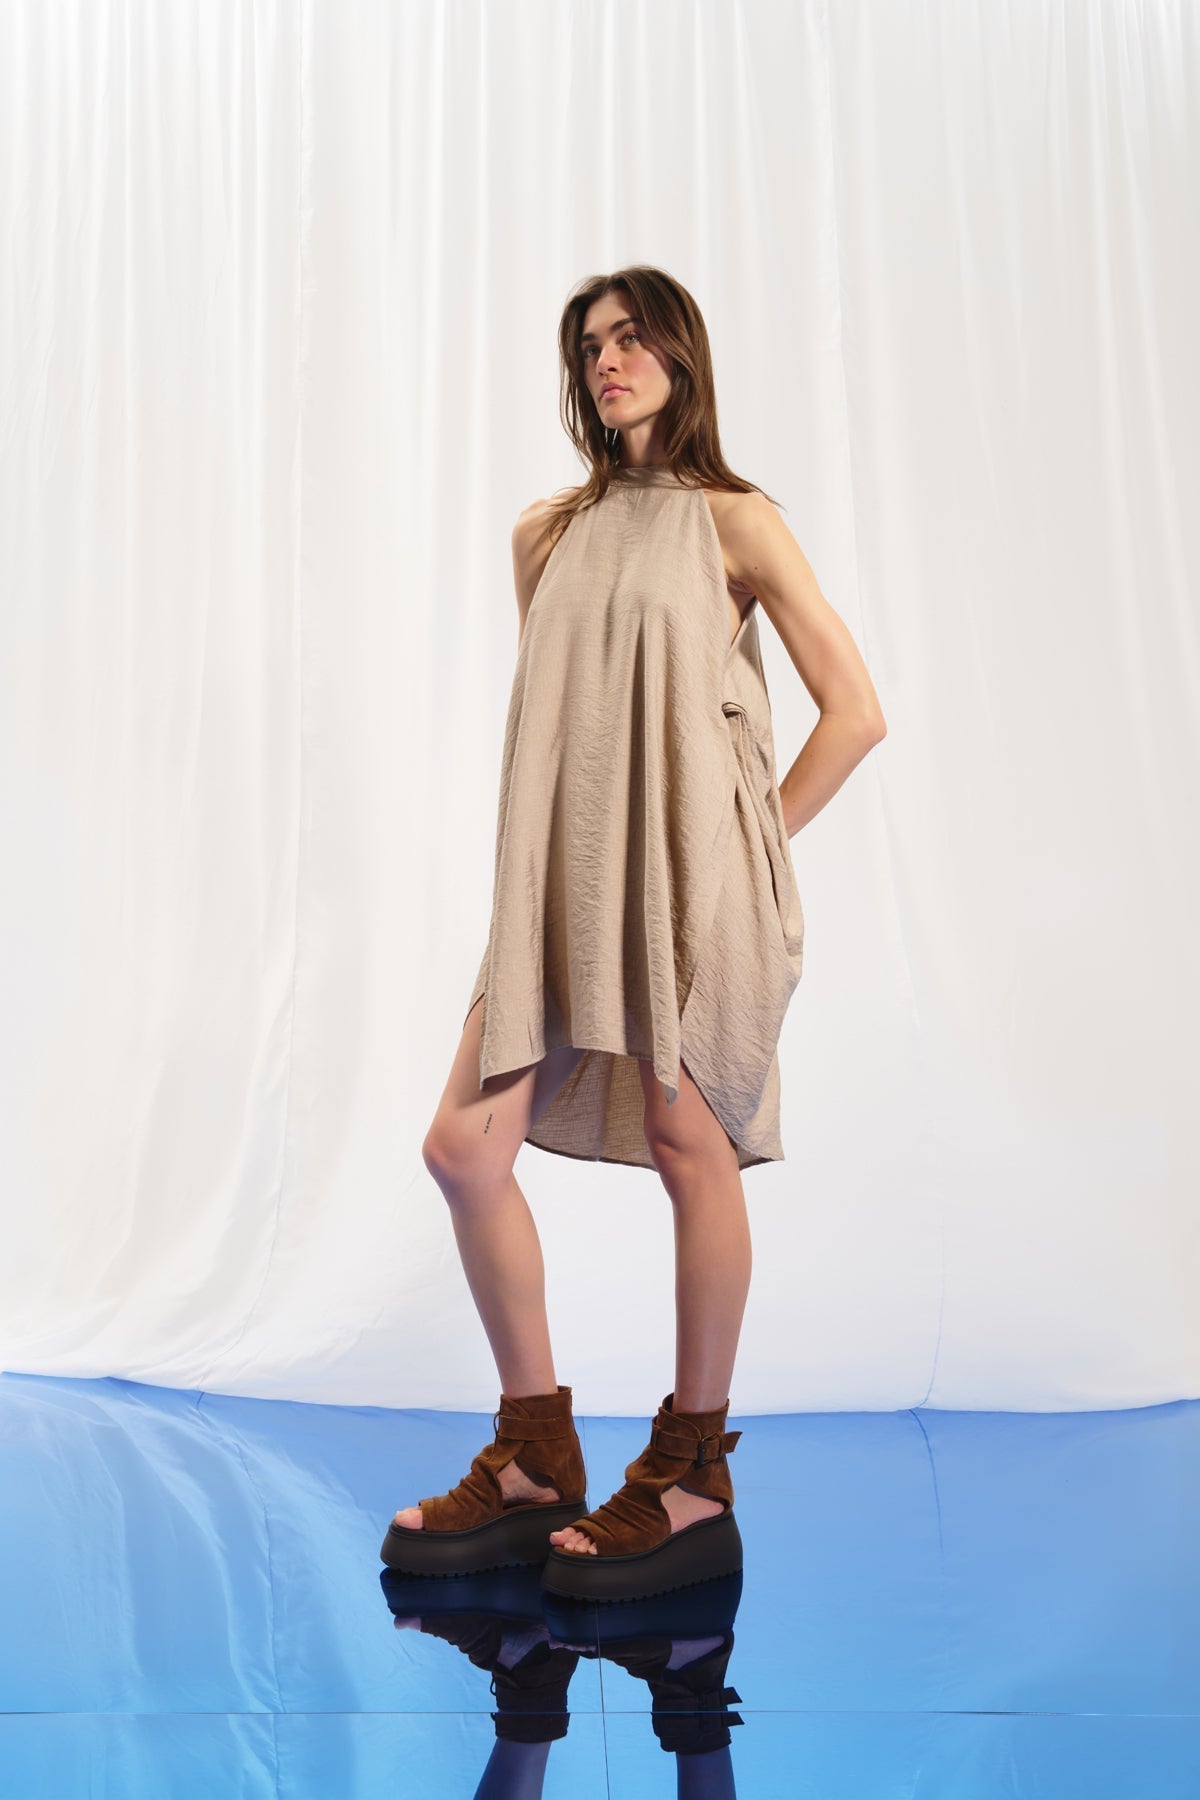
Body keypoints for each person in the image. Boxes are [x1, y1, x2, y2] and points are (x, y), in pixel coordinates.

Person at [380, 266, 886, 1603]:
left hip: (694, 897)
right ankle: (537, 1453)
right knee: (462, 1149)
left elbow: (855, 711)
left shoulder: (738, 521)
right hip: (560, 890)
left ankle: (691, 1472)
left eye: (632, 337)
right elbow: (574, 730)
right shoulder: (543, 534)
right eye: (590, 345)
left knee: (686, 1145)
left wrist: (750, 848)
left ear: (681, 354)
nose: (609, 360)